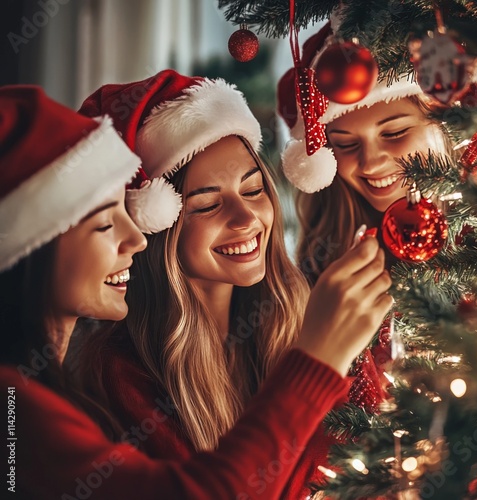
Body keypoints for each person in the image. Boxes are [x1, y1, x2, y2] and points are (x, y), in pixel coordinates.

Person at [0, 85, 392, 499]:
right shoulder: (97, 386)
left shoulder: (305, 318)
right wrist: (319, 357)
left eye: (255, 190)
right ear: (162, 224)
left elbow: (378, 457)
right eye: (205, 206)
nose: (245, 218)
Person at [277, 21, 451, 286]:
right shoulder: (321, 268)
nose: (370, 163)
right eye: (345, 145)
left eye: (394, 133)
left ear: (446, 125)